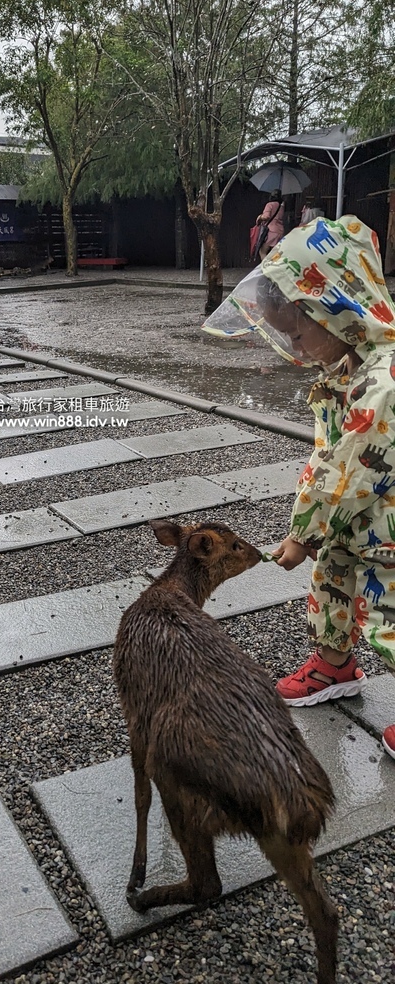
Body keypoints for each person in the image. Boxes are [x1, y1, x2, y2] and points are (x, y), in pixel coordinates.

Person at [202, 215, 395, 760]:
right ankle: (333, 665)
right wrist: (314, 534)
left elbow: (349, 470)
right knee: (331, 575)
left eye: (297, 331)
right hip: (351, 517)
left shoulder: (386, 380)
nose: (294, 346)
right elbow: (328, 459)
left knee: (389, 610)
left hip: (386, 523)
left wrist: (304, 532)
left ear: (338, 306)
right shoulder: (347, 367)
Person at [255, 190, 285, 259]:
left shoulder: (270, 205)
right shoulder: (281, 206)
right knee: (275, 253)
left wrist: (260, 217)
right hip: (280, 231)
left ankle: (266, 266)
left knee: (262, 251)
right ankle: (274, 267)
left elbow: (266, 216)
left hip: (271, 231)